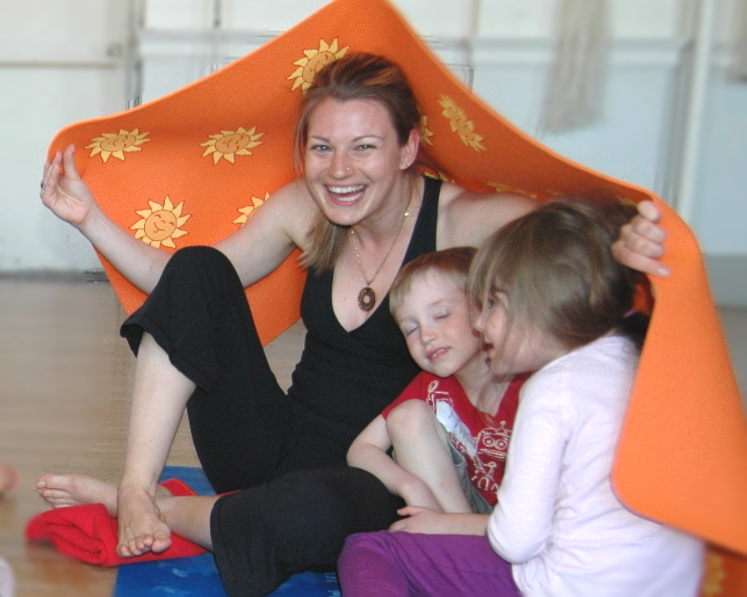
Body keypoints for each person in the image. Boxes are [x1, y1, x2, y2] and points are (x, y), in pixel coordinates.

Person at [35, 53, 667, 597]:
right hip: (273, 446)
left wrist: (629, 243)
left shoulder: (464, 221)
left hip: (369, 475)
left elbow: (573, 241)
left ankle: (161, 509)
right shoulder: (304, 209)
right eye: (322, 148)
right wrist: (90, 220)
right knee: (199, 268)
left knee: (307, 521)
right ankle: (137, 487)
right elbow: (181, 289)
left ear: (409, 148)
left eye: (364, 147)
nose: (339, 171)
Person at [337, 198, 704, 597]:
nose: (481, 321)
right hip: (671, 580)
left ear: (539, 304)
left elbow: (518, 540)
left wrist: (447, 525)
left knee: (368, 549)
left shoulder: (548, 389)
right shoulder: (635, 353)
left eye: (492, 303)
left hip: (563, 581)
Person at [347, 247, 526, 523]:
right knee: (406, 416)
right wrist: (410, 486)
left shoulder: (528, 384)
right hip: (470, 511)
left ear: (487, 309)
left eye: (441, 315)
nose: (427, 336)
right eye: (411, 329)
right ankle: (457, 535)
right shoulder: (432, 385)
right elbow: (361, 450)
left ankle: (457, 534)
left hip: (532, 523)